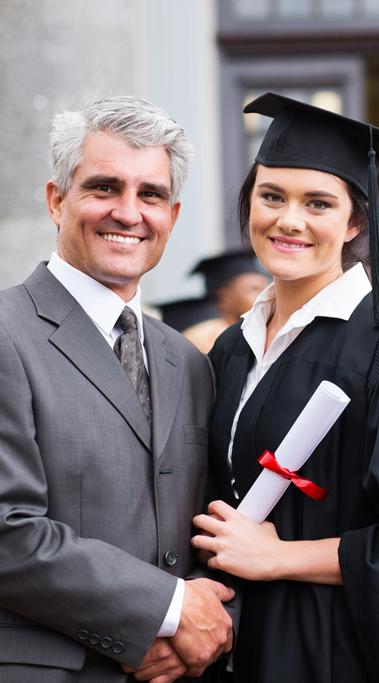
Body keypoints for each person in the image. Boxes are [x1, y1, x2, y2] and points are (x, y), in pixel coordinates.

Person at [0, 96, 234, 683]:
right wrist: (168, 609)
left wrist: (203, 629)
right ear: (57, 200)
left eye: (150, 194)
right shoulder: (7, 334)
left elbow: (209, 528)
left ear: (172, 216)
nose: (128, 213)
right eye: (104, 187)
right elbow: (6, 528)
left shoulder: (187, 360)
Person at [192, 92, 379, 683]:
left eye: (318, 203)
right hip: (229, 642)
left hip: (332, 650)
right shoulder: (231, 348)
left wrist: (278, 557)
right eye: (271, 196)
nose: (289, 220)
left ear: (355, 222)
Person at [184, 250, 270, 353]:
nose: (265, 295)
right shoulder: (206, 339)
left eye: (265, 288)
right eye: (254, 289)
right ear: (225, 298)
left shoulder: (259, 334)